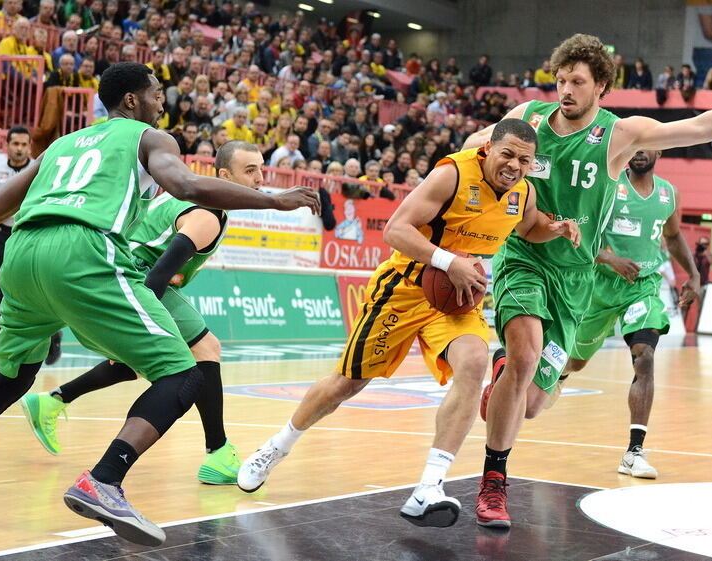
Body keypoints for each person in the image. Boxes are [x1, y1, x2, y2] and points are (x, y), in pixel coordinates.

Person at [0, 64, 319, 546]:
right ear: (132, 101)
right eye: (157, 94)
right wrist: (275, 200)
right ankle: (104, 480)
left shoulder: (61, 145)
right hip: (83, 253)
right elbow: (190, 187)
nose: (163, 102)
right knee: (183, 372)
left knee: (11, 379)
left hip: (21, 255)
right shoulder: (150, 139)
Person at [462, 34, 712, 528]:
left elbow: (699, 126)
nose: (566, 89)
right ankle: (493, 483)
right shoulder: (528, 120)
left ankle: (508, 372)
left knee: (530, 403)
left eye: (578, 81)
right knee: (526, 352)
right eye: (561, 80)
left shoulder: (620, 135)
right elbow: (471, 147)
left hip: (577, 279)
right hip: (524, 259)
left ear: (601, 87)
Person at [237, 119, 581, 530]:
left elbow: (529, 226)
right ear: (489, 148)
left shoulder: (523, 193)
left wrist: (555, 228)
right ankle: (277, 447)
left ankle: (429, 488)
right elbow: (395, 230)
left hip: (457, 297)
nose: (514, 165)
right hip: (405, 287)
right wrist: (448, 261)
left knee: (474, 365)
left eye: (524, 159)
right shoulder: (452, 174)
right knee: (347, 383)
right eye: (507, 154)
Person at [19, 140, 267, 485]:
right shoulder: (207, 215)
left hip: (114, 271)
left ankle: (53, 401)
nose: (259, 178)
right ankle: (219, 453)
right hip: (139, 277)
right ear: (223, 176)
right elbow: (160, 272)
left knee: (137, 363)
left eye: (261, 169)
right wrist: (137, 320)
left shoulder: (187, 199)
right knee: (205, 348)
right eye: (250, 170)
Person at [556, 150, 701, 479]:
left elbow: (674, 235)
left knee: (645, 356)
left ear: (659, 150)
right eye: (635, 145)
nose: (639, 151)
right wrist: (610, 259)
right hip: (601, 286)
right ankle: (561, 376)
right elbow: (582, 236)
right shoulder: (608, 187)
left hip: (643, 286)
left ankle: (634, 451)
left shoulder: (668, 193)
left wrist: (693, 274)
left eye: (647, 145)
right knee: (577, 361)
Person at [0, 127, 62, 374]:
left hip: (34, 234)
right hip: (4, 236)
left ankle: (54, 336)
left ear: (30, 146)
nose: (20, 148)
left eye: (24, 144)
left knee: (43, 291)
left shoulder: (43, 170)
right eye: (16, 144)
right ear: (7, 145)